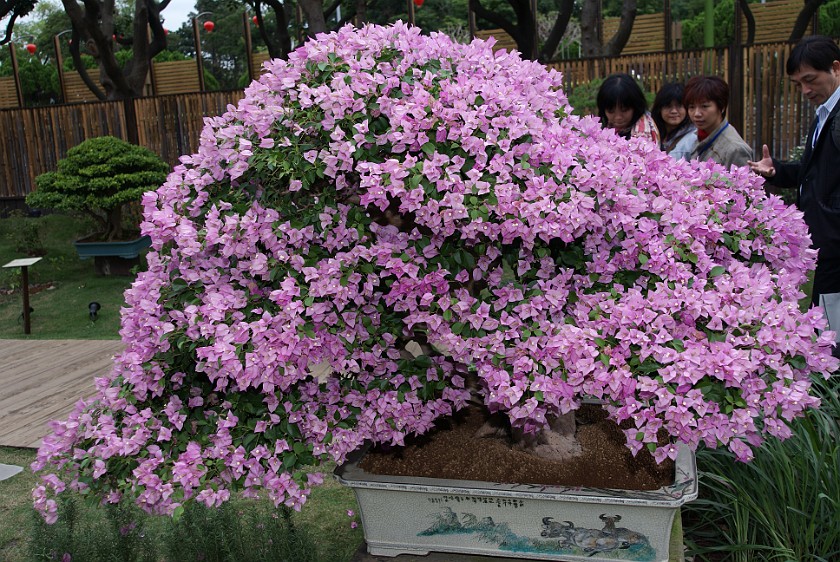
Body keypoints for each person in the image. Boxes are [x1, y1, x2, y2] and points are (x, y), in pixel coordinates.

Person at [748, 35, 840, 311]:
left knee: (832, 331)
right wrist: (777, 171)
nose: (805, 90)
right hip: (827, 244)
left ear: (836, 68)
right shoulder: (825, 112)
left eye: (810, 80)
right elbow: (818, 171)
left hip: (834, 243)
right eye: (798, 84)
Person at [683, 76, 752, 168]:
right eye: (691, 107)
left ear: (722, 107)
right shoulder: (699, 136)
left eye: (704, 106)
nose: (697, 113)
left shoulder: (735, 150)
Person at [596, 73, 660, 145]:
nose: (618, 117)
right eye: (611, 111)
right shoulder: (605, 129)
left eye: (624, 110)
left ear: (636, 106)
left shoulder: (644, 135)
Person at [651, 83, 696, 160]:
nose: (674, 111)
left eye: (679, 106)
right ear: (659, 109)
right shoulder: (651, 134)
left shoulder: (694, 138)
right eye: (668, 106)